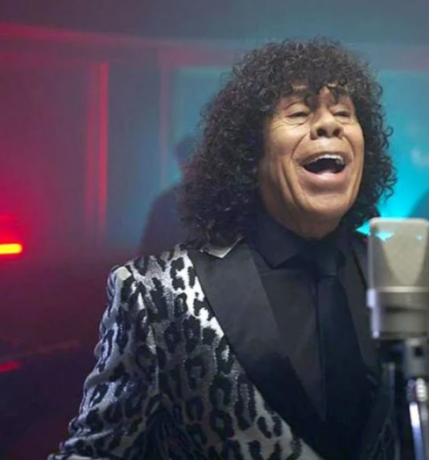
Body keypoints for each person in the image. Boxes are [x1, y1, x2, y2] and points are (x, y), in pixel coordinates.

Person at [51, 38, 397, 460]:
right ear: (251, 152)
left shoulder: (401, 273)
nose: (330, 125)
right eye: (298, 113)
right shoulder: (157, 293)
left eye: (344, 113)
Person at [138, 135, 197, 256]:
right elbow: (150, 250)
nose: (190, 167)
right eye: (186, 161)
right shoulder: (165, 204)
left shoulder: (164, 203)